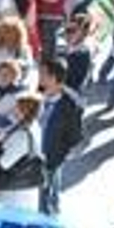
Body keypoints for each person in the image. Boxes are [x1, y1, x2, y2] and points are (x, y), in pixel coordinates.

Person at [36, 57, 84, 217]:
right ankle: (51, 210)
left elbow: (75, 135)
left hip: (52, 155)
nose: (39, 77)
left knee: (46, 191)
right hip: (37, 152)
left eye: (43, 74)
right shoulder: (39, 95)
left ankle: (48, 217)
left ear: (54, 78)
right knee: (47, 188)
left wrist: (61, 154)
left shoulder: (70, 106)